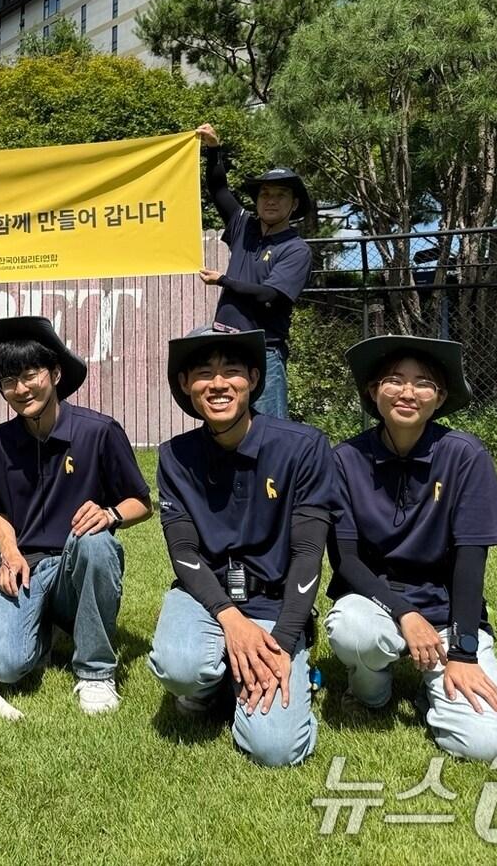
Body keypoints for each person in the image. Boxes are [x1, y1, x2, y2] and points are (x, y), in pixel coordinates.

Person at [147, 326, 340, 767]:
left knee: (275, 750)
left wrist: (283, 643)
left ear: (253, 378)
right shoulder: (174, 456)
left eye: (232, 371)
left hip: (276, 605)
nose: (218, 384)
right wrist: (231, 621)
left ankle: (276, 674)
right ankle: (207, 686)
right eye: (203, 374)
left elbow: (308, 555)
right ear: (185, 385)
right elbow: (183, 552)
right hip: (208, 598)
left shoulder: (303, 448)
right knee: (180, 665)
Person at [325, 335, 497, 763]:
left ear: (440, 397)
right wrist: (404, 613)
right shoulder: (343, 460)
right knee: (353, 630)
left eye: (423, 383)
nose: (408, 392)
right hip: (375, 604)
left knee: (488, 747)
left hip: (446, 617)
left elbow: (471, 560)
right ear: (374, 390)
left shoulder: (464, 455)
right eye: (394, 380)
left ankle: (433, 696)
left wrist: (464, 651)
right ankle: (371, 694)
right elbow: (345, 560)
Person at [0, 315, 151, 716]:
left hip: (74, 564)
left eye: (30, 375)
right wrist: (10, 552)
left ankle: (96, 672)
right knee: (6, 666)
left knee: (97, 542)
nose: (20, 389)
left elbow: (141, 501)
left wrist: (111, 514)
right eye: (8, 382)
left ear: (54, 373)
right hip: (22, 566)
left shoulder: (99, 432)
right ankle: (39, 629)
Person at [196, 124, 313, 418]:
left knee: (271, 433)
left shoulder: (296, 248)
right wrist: (213, 149)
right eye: (264, 194)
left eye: (280, 195)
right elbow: (218, 189)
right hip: (226, 346)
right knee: (224, 427)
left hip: (264, 353)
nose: (270, 200)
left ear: (294, 203)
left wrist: (224, 280)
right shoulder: (243, 226)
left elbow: (270, 295)